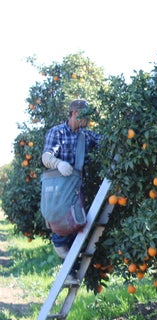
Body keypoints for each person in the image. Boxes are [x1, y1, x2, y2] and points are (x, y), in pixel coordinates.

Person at [41, 99, 102, 260]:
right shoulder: (58, 132)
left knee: (78, 223)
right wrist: (58, 163)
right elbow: (46, 157)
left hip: (76, 186)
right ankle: (59, 242)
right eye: (86, 117)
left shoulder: (86, 135)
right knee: (62, 222)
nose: (88, 121)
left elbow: (106, 142)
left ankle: (71, 268)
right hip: (60, 187)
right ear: (75, 113)